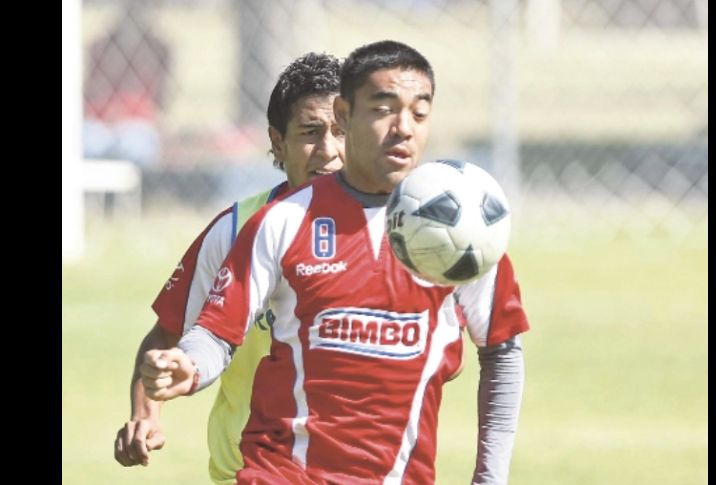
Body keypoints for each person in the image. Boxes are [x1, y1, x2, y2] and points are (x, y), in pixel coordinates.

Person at [141, 40, 528, 484]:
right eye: (383, 110)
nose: (403, 128)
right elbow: (215, 334)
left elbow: (501, 352)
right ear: (344, 114)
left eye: (418, 113)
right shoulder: (283, 221)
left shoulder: (468, 227)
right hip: (281, 474)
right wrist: (189, 367)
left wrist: (490, 477)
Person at [114, 52, 345, 485]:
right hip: (252, 469)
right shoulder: (237, 229)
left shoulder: (396, 230)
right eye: (310, 133)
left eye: (341, 131)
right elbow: (169, 333)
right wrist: (146, 416)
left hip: (359, 469)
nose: (329, 150)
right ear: (278, 142)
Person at [83, 4, 171, 168]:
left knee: (134, 145)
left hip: (136, 123)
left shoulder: (158, 49)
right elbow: (91, 94)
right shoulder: (100, 47)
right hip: (100, 122)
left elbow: (159, 103)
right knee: (89, 141)